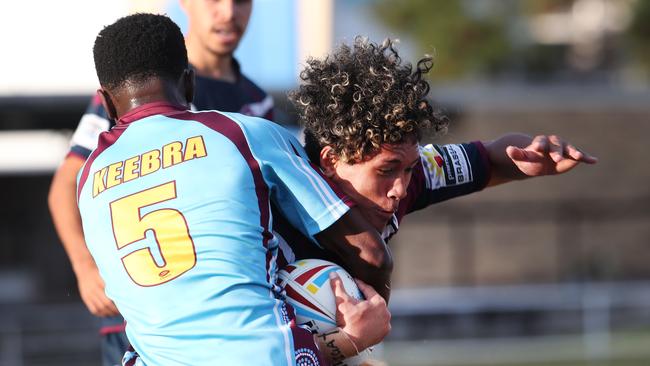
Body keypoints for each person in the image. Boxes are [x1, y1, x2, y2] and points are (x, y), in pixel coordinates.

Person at [77, 13, 390, 365]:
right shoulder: (243, 134)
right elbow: (369, 254)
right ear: (190, 83)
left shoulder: (88, 177)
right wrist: (360, 330)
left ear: (104, 101)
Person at [48, 1, 272, 364]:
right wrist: (84, 267)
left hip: (228, 317)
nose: (229, 13)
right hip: (140, 319)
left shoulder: (255, 101)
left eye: (241, 0)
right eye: (214, 0)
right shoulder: (139, 81)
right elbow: (65, 184)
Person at [275, 37, 598, 274]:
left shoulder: (409, 178)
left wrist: (532, 157)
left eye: (409, 169)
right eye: (386, 170)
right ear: (332, 161)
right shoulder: (270, 218)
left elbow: (489, 158)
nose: (401, 189)